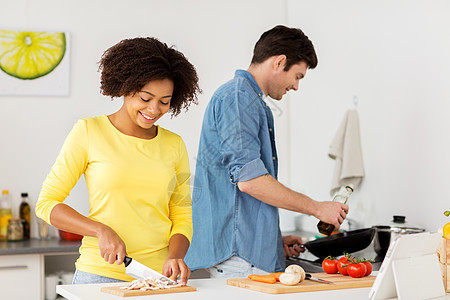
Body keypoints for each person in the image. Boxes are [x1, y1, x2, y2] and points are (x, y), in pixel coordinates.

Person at [184, 25, 349, 277]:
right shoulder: (239, 98)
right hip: (236, 257)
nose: (295, 87)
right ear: (280, 61)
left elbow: (241, 196)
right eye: (297, 76)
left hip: (242, 253)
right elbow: (249, 182)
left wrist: (273, 239)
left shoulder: (249, 101)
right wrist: (317, 208)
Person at [35, 37, 201, 285]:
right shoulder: (90, 131)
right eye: (145, 99)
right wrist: (101, 230)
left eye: (164, 102)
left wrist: (176, 256)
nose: (154, 109)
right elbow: (47, 203)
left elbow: (181, 215)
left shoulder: (174, 144)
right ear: (125, 86)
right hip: (99, 275)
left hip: (157, 279)